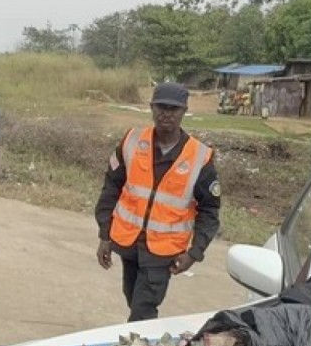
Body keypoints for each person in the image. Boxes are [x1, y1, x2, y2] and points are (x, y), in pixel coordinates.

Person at [94, 82, 220, 322]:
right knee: (132, 298)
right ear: (151, 108)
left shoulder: (199, 157)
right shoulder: (131, 141)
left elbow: (210, 210)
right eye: (161, 107)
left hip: (163, 252)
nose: (167, 113)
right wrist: (105, 235)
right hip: (129, 244)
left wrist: (194, 252)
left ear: (184, 111)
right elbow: (111, 187)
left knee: (143, 310)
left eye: (174, 109)